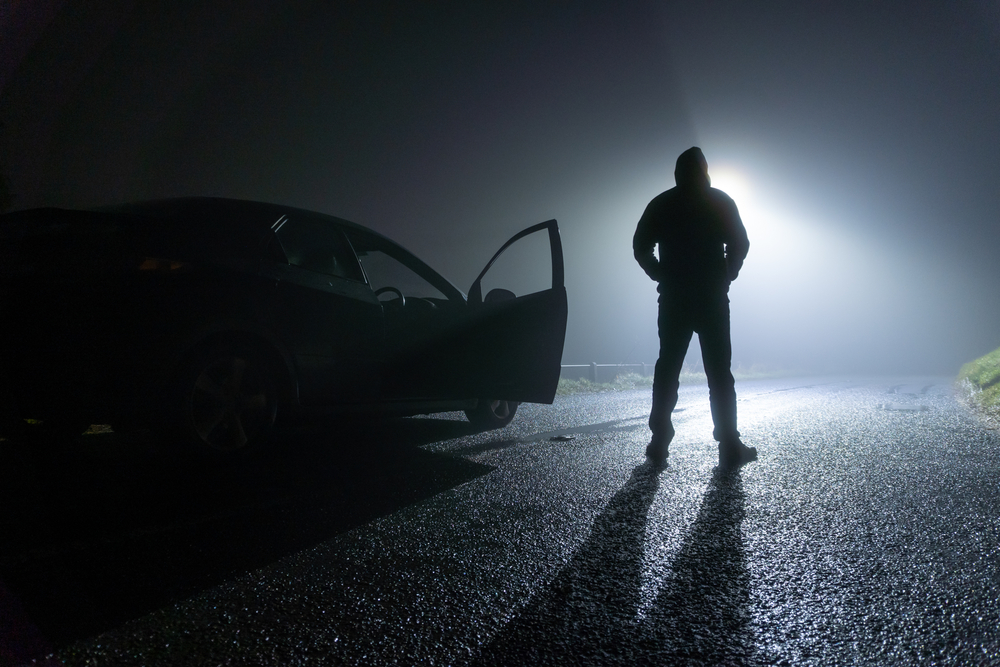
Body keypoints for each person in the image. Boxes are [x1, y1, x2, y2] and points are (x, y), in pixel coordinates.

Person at [633, 147, 757, 467]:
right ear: (704, 171)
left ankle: (659, 441)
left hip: (674, 298)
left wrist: (661, 274)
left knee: (668, 369)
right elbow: (740, 243)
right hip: (712, 299)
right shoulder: (720, 201)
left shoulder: (662, 204)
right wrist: (727, 274)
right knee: (719, 372)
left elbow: (640, 247)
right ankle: (729, 444)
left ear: (677, 172)